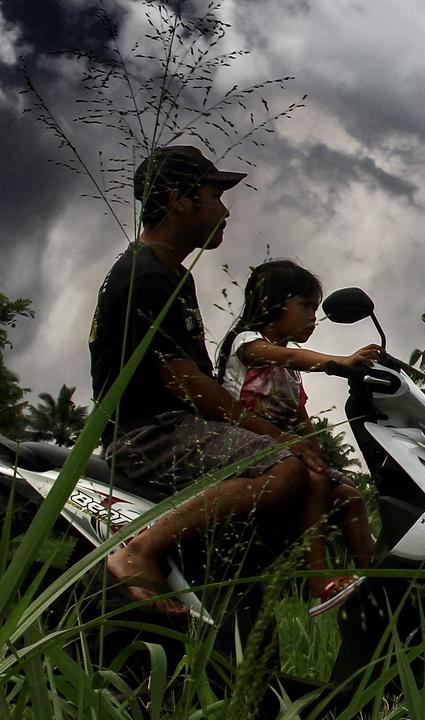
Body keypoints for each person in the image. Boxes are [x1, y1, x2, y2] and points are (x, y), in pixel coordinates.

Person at [89, 145, 328, 615]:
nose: (225, 209)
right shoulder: (145, 274)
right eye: (215, 195)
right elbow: (186, 383)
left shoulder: (172, 275)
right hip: (150, 434)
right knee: (287, 468)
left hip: (178, 430)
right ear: (180, 200)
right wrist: (276, 436)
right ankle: (138, 551)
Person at [215, 259, 379, 606]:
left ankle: (377, 581)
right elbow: (283, 356)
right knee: (316, 481)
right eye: (305, 306)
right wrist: (339, 362)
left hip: (280, 450)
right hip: (239, 443)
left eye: (315, 309)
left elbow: (300, 416)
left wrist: (316, 453)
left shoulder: (290, 373)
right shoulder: (249, 343)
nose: (312, 317)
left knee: (348, 493)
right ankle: (317, 580)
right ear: (269, 303)